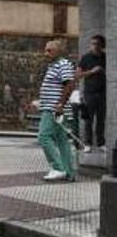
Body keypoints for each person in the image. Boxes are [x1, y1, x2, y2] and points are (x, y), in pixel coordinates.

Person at [36, 40, 77, 181]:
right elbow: (55, 87)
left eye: (49, 50)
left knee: (43, 136)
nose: (45, 53)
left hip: (55, 109)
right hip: (53, 107)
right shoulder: (53, 65)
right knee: (61, 140)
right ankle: (69, 172)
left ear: (59, 51)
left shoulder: (63, 64)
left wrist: (60, 104)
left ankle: (58, 168)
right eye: (45, 50)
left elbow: (70, 85)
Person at [76, 34, 106, 153]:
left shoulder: (106, 57)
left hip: (103, 93)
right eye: (92, 43)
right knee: (88, 120)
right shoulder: (85, 58)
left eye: (97, 44)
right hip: (89, 93)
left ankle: (101, 143)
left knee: (101, 120)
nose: (94, 46)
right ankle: (87, 143)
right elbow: (78, 75)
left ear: (102, 45)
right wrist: (92, 71)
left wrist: (103, 71)